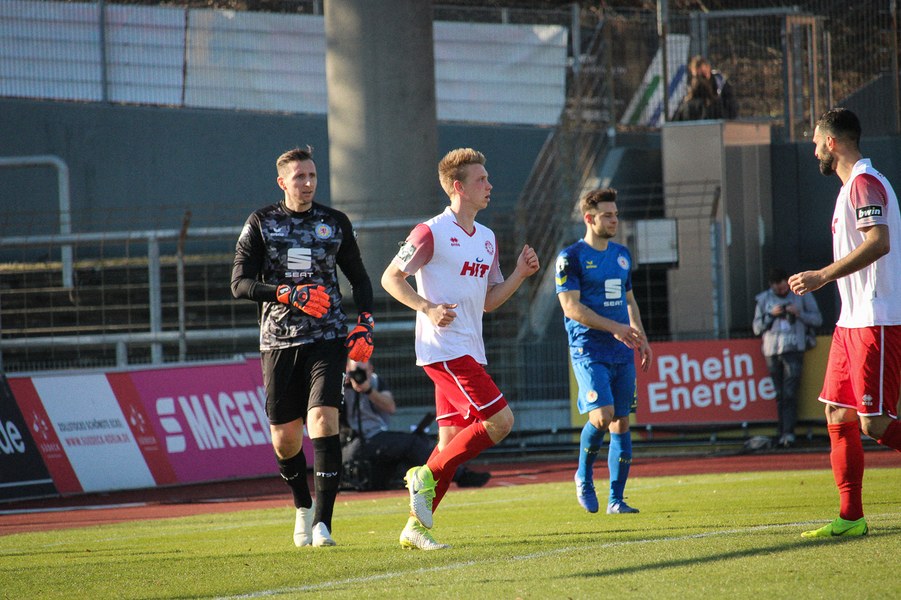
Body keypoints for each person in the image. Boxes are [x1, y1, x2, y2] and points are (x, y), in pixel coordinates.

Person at [381, 147, 540, 550]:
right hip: (443, 349)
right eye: (481, 179)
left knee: (449, 440)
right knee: (501, 422)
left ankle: (415, 528)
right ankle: (424, 475)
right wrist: (427, 307)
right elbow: (391, 277)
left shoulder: (487, 238)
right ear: (458, 187)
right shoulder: (429, 232)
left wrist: (520, 274)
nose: (490, 185)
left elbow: (489, 300)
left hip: (470, 348)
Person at [231, 146, 375, 548]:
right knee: (285, 439)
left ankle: (323, 524)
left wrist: (365, 322)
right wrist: (286, 293)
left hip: (327, 338)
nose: (308, 183)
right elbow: (239, 283)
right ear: (282, 182)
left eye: (312, 175)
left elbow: (359, 279)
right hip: (278, 342)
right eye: (300, 177)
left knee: (324, 422)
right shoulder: (261, 223)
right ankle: (302, 506)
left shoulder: (334, 222)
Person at [788, 108, 901, 538]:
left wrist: (822, 275)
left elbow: (879, 242)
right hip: (850, 323)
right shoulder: (848, 188)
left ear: (832, 142)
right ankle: (851, 517)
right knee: (837, 411)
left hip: (876, 318)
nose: (814, 149)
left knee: (875, 423)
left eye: (817, 142)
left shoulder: (864, 182)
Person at [555, 188, 653, 516]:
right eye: (607, 215)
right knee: (602, 416)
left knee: (621, 422)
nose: (614, 220)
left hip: (621, 349)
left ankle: (616, 499)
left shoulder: (622, 255)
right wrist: (614, 328)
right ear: (589, 218)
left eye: (616, 214)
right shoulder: (570, 257)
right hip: (588, 348)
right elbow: (571, 307)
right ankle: (583, 476)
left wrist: (641, 337)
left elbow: (629, 301)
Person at [341, 358, 491, 490]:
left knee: (417, 441)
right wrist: (342, 387)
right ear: (348, 370)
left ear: (371, 369)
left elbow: (390, 407)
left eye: (363, 370)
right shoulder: (341, 386)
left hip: (375, 436)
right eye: (356, 371)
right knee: (413, 444)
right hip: (353, 442)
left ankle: (451, 474)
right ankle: (459, 475)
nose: (359, 375)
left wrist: (368, 390)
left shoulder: (374, 382)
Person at [752, 267, 823, 448]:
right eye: (778, 289)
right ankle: (782, 432)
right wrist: (771, 314)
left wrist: (798, 313)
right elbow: (757, 328)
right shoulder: (763, 299)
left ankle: (789, 433)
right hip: (772, 351)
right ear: (771, 286)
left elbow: (817, 319)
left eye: (784, 288)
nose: (781, 291)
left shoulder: (802, 295)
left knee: (790, 392)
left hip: (794, 348)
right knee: (779, 394)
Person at [688, 55, 737, 119]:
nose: (700, 79)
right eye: (697, 76)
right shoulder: (694, 92)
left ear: (708, 67)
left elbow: (731, 107)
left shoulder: (720, 83)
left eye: (703, 74)